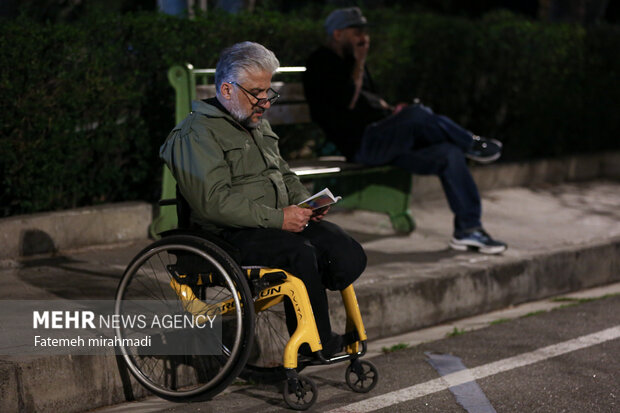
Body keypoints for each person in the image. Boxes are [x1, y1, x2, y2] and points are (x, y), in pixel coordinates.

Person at [159, 41, 366, 356]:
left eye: (268, 92)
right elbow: (213, 202)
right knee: (300, 253)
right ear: (227, 90)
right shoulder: (194, 135)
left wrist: (305, 204)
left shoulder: (256, 124)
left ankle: (312, 306)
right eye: (257, 93)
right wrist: (280, 218)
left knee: (344, 250)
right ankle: (315, 342)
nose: (266, 102)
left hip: (274, 223)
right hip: (226, 236)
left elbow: (283, 174)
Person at [303, 7, 508, 255]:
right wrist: (359, 63)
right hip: (363, 145)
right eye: (357, 32)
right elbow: (348, 102)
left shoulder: (352, 61)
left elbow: (371, 101)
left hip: (385, 139)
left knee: (449, 153)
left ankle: (468, 230)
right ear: (337, 34)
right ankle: (472, 144)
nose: (364, 38)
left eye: (365, 32)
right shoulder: (321, 62)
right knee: (419, 116)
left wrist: (392, 111)